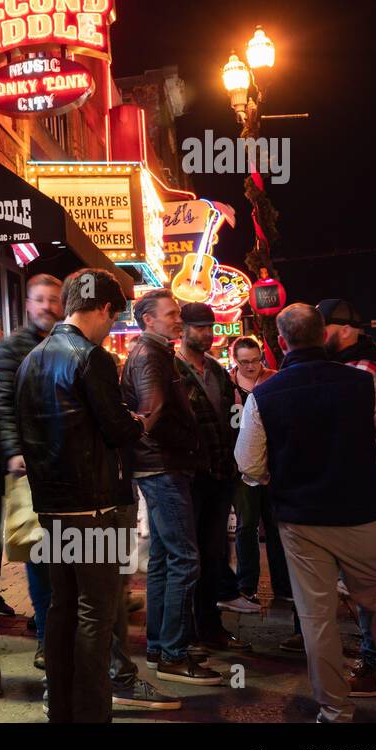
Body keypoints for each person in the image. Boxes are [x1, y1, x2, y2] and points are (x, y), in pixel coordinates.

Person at [235, 303, 376, 723]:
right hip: (359, 513)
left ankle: (334, 709)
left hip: (299, 519)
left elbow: (249, 465)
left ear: (280, 340)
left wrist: (278, 474)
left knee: (317, 616)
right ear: (322, 334)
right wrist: (368, 460)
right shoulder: (361, 384)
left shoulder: (265, 395)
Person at [16, 269, 145, 722]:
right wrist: (139, 421)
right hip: (96, 507)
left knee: (62, 606)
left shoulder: (32, 358)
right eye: (114, 316)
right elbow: (117, 429)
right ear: (106, 309)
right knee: (97, 612)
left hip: (53, 506)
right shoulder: (92, 358)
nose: (113, 325)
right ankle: (92, 710)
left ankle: (63, 707)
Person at [122, 289, 221, 684]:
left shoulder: (154, 352)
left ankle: (162, 644)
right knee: (184, 558)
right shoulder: (150, 355)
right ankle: (173, 654)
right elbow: (151, 412)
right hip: (163, 467)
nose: (177, 319)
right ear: (148, 319)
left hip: (160, 466)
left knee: (165, 558)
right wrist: (188, 443)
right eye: (171, 314)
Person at [175, 303, 256, 656]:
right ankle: (187, 632)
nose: (207, 333)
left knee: (214, 552)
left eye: (210, 326)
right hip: (190, 477)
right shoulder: (172, 370)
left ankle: (209, 627)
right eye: (200, 327)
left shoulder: (217, 371)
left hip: (221, 474)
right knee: (188, 556)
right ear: (184, 329)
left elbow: (232, 418)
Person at [0, 277, 64, 642]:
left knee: (63, 548)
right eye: (41, 300)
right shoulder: (12, 348)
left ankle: (52, 622)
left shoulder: (67, 342)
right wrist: (13, 450)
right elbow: (2, 403)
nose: (47, 306)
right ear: (28, 304)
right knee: (39, 548)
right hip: (30, 461)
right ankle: (47, 629)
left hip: (65, 460)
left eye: (53, 299)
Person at [229, 336, 293, 609]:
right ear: (236, 361)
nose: (252, 366)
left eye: (256, 360)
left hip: (273, 464)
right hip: (241, 465)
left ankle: (283, 585)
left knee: (277, 525)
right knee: (246, 525)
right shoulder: (226, 385)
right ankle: (246, 585)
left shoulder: (274, 380)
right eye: (245, 362)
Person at [317, 298, 376, 366]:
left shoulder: (362, 369)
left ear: (345, 331)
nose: (315, 333)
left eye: (321, 327)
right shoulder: (334, 362)